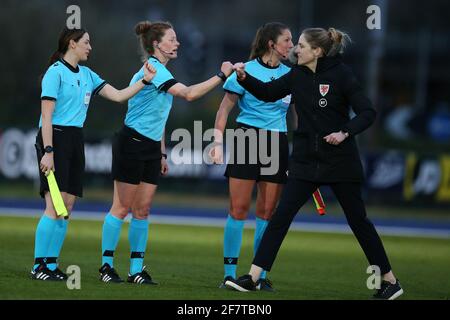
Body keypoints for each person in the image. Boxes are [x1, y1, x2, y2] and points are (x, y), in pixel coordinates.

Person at [225, 27, 404, 300]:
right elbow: (267, 92)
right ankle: (253, 276)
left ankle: (390, 281)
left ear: (317, 51)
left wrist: (345, 132)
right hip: (306, 163)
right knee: (280, 218)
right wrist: (243, 76)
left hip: (340, 162)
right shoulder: (296, 75)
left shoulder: (342, 74)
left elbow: (368, 112)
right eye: (295, 45)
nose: (296, 50)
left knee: (359, 222)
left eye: (301, 46)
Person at [98, 20, 234, 284]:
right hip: (131, 143)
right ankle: (106, 266)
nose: (177, 43)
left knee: (143, 209)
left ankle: (136, 270)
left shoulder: (162, 73)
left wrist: (160, 154)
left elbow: (157, 119)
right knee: (122, 207)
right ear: (156, 45)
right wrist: (221, 76)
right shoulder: (154, 69)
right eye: (171, 39)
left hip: (149, 147)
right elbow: (190, 94)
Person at [32, 27, 156, 281]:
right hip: (53, 138)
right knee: (54, 205)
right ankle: (38, 266)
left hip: (75, 139)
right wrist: (48, 151)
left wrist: (144, 81)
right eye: (86, 42)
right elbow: (46, 116)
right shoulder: (55, 73)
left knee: (66, 206)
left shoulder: (88, 75)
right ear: (72, 43)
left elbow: (119, 96)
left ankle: (52, 265)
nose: (90, 47)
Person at [210, 23, 324, 292]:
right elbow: (224, 110)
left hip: (277, 142)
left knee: (266, 213)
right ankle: (229, 273)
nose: (292, 45)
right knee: (238, 210)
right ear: (272, 44)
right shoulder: (245, 71)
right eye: (287, 40)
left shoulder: (292, 75)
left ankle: (256, 275)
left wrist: (306, 146)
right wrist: (216, 143)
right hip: (246, 138)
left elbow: (298, 116)